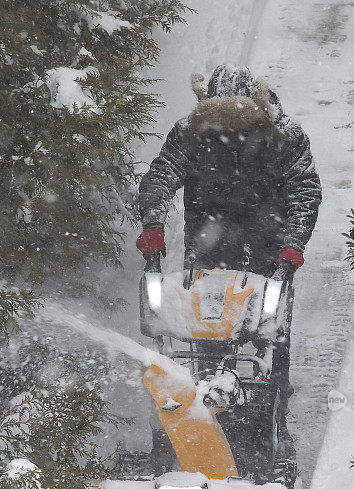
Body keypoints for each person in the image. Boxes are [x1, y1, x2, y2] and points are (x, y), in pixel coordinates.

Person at [136, 64, 322, 452]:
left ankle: (273, 419)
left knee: (269, 332)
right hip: (208, 248)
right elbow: (161, 175)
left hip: (270, 250)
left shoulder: (284, 136)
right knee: (202, 331)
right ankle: (201, 410)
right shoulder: (191, 131)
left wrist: (292, 247)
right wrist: (153, 224)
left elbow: (304, 191)